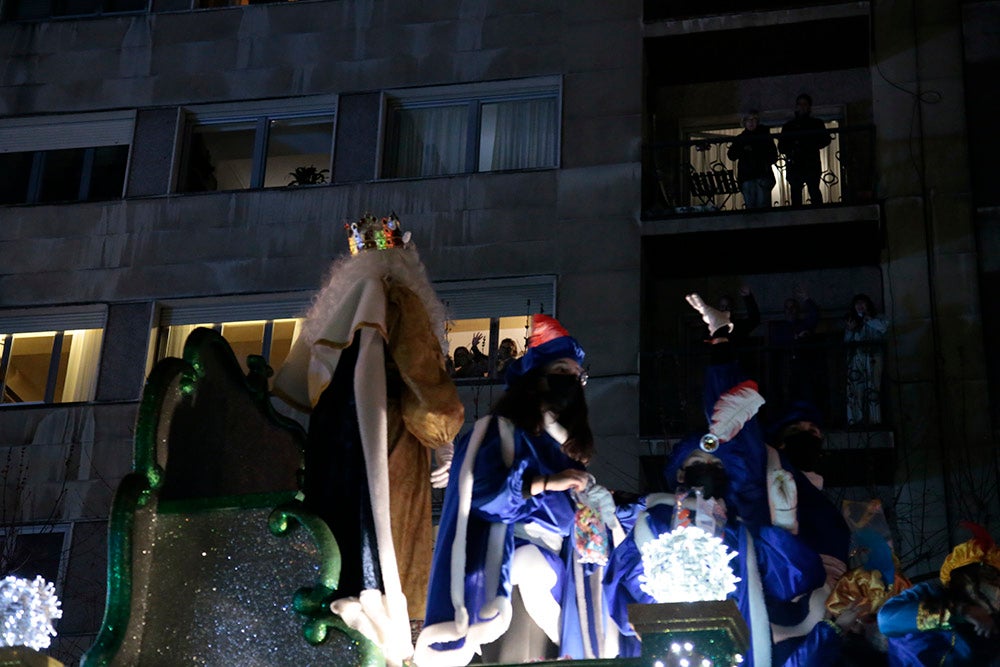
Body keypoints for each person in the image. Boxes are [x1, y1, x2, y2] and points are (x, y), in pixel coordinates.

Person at [272, 214, 465, 666]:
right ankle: (395, 638)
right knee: (391, 537)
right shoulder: (399, 298)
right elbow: (422, 376)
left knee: (343, 531)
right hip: (387, 433)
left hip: (334, 443)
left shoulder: (341, 313)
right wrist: (443, 438)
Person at [605, 295, 827, 666]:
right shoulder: (655, 519)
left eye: (717, 464)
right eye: (699, 460)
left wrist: (783, 524)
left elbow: (794, 581)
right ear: (679, 472)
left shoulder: (744, 533)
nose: (709, 464)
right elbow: (624, 596)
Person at [414, 314, 623, 665]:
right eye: (561, 370)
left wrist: (603, 510)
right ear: (536, 379)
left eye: (577, 376)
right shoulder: (501, 431)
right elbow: (482, 494)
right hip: (504, 570)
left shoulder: (567, 451)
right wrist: (544, 484)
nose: (571, 380)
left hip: (559, 573)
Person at [878, 522, 1000, 665]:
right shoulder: (929, 594)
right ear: (968, 578)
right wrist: (958, 611)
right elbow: (887, 620)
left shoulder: (991, 632)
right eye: (993, 579)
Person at [778, 94, 832, 206]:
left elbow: (826, 140)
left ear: (809, 107)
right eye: (800, 104)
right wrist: (793, 148)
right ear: (796, 107)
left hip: (811, 163)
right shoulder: (789, 126)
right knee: (796, 194)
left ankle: (818, 216)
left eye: (805, 104)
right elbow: (782, 147)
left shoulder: (816, 123)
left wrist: (810, 144)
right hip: (795, 164)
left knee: (814, 191)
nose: (802, 107)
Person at [844, 293, 888, 426]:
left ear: (868, 305)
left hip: (873, 358)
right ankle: (855, 420)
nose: (860, 306)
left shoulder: (878, 318)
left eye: (862, 303)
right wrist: (851, 330)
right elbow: (846, 341)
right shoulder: (851, 321)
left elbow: (884, 328)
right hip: (857, 358)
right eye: (857, 304)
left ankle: (875, 421)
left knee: (873, 388)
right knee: (855, 390)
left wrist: (868, 320)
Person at [727, 110, 779, 209]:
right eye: (748, 120)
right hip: (747, 178)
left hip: (762, 176)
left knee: (763, 208)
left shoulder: (764, 137)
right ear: (744, 122)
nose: (751, 122)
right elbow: (731, 155)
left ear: (757, 122)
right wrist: (743, 150)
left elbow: (773, 156)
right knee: (751, 210)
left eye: (754, 119)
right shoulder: (741, 139)